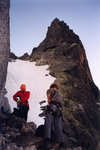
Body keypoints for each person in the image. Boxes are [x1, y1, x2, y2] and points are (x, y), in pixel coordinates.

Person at [44, 83, 65, 149]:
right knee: (58, 126)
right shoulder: (60, 95)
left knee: (48, 123)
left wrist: (49, 99)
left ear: (53, 87)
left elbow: (48, 91)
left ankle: (47, 140)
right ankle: (61, 142)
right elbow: (62, 105)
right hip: (58, 110)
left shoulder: (53, 90)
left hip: (52, 107)